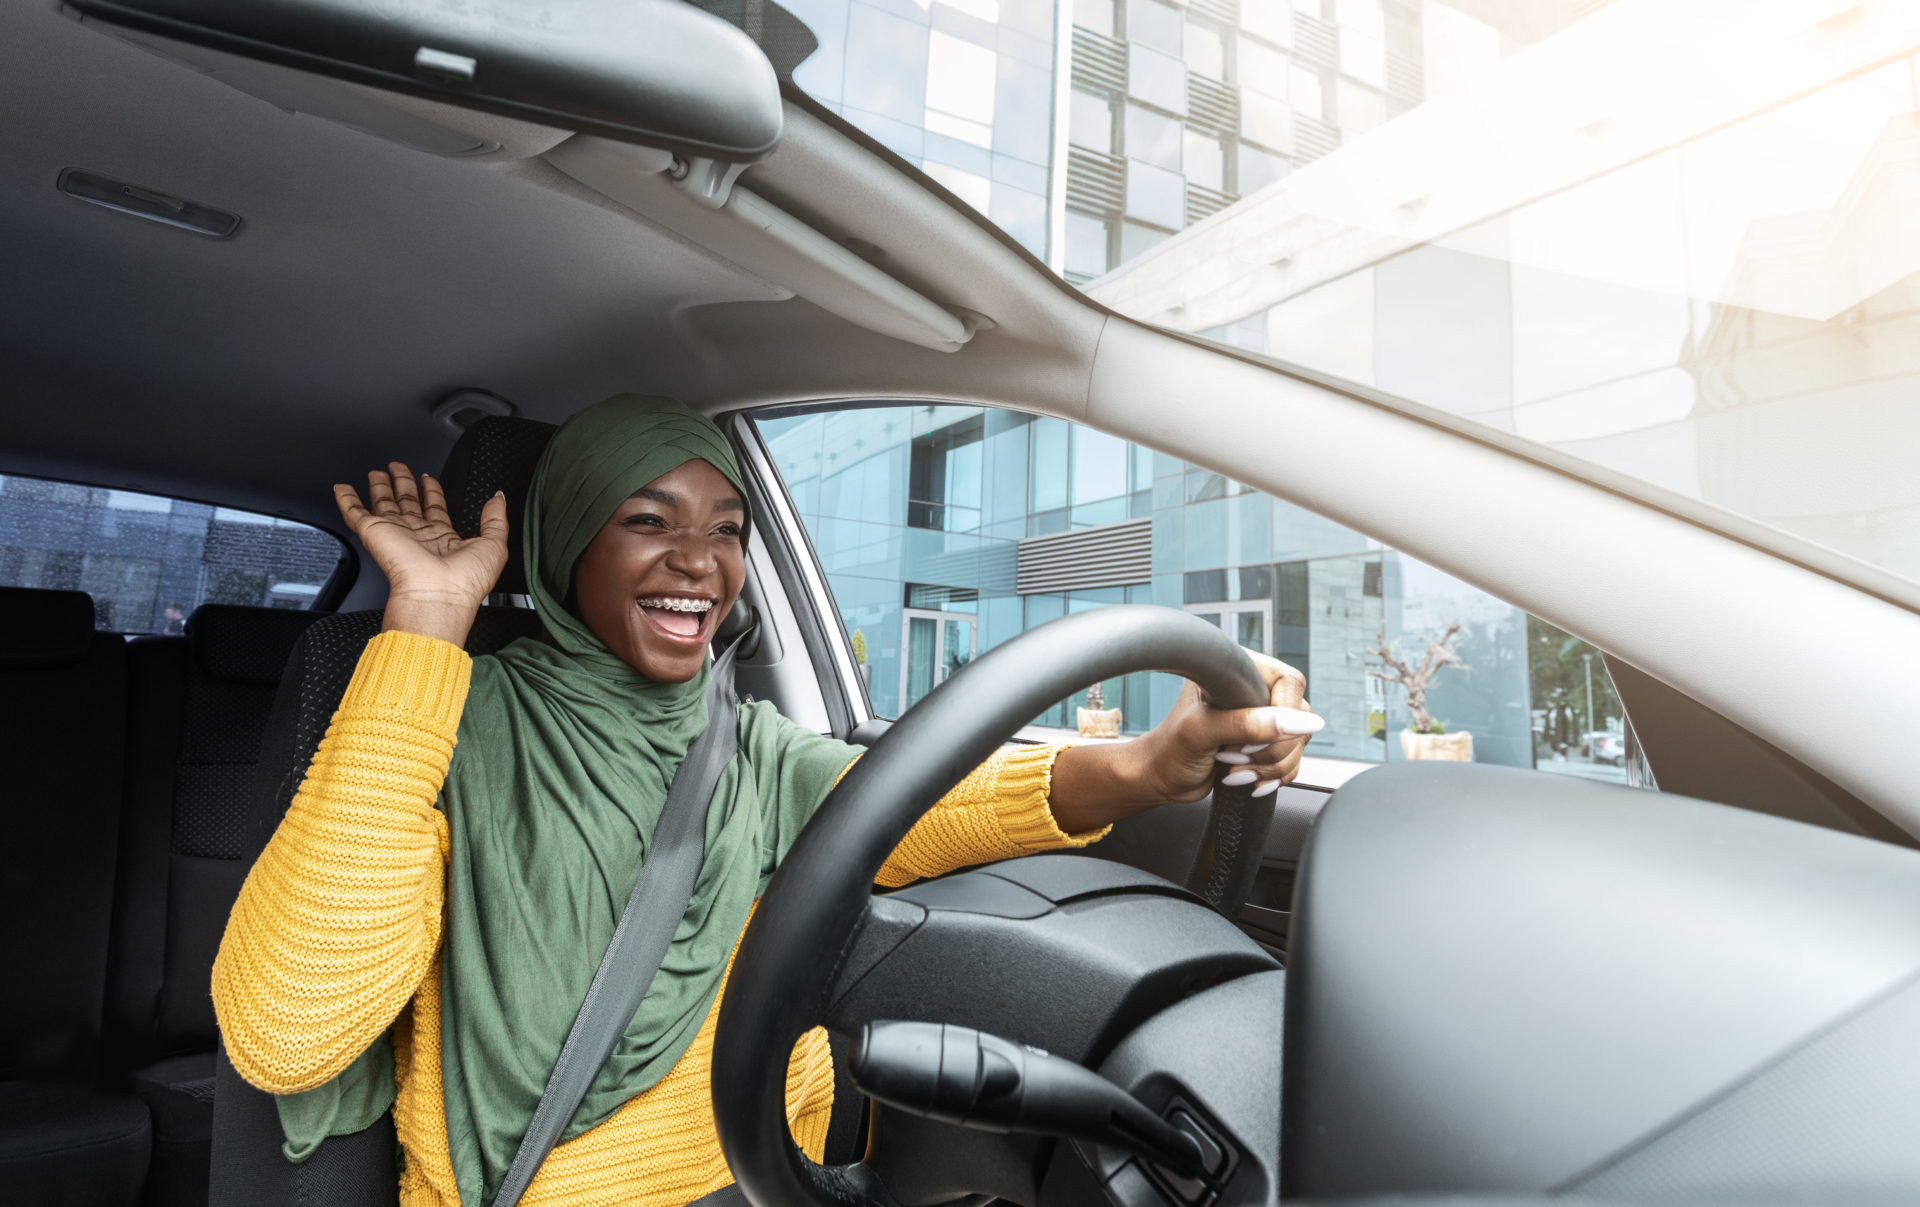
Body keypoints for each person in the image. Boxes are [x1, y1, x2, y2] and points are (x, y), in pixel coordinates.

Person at [212, 395, 1321, 1207]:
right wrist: (428, 620)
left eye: (728, 527)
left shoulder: (742, 739)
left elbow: (910, 806)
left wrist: (1143, 767)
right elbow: (289, 1030)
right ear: (566, 545)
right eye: (648, 520)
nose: (702, 561)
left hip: (769, 1175)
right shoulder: (442, 717)